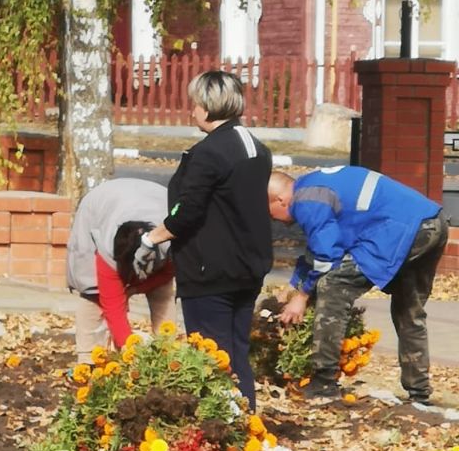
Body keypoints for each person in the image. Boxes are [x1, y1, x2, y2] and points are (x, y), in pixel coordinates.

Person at [142, 70, 272, 410]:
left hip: (210, 269)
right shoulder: (255, 147)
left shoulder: (210, 152)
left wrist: (152, 238)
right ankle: (246, 419)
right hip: (249, 265)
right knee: (237, 353)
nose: (192, 110)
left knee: (212, 356)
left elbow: (188, 212)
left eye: (196, 103)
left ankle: (223, 428)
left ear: (209, 106)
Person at [268, 167, 449, 404]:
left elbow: (325, 256)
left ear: (280, 199)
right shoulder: (315, 187)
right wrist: (294, 286)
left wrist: (301, 296)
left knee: (333, 286)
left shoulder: (306, 200)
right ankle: (419, 394)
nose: (272, 219)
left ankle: (324, 382)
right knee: (409, 309)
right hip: (432, 223)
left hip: (399, 230)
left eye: (269, 212)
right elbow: (319, 246)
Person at [66, 177, 176, 361]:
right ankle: (88, 361)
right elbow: (112, 306)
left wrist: (135, 288)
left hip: (156, 202)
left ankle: (167, 356)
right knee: (92, 290)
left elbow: (167, 274)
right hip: (100, 205)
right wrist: (128, 348)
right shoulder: (107, 251)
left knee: (162, 293)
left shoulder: (169, 241)